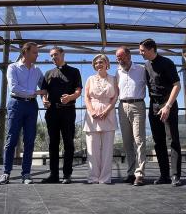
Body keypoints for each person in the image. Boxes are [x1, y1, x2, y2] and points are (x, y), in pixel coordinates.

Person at [0, 42, 45, 185]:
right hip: (16, 104)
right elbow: (14, 88)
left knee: (29, 141)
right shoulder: (13, 67)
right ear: (25, 53)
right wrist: (35, 92)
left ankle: (26, 174)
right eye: (35, 52)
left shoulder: (37, 70)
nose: (37, 55)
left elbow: (44, 87)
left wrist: (45, 97)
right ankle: (6, 173)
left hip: (31, 107)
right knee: (11, 139)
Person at [139, 38, 183, 186]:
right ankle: (164, 175)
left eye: (143, 51)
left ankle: (175, 175)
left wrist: (168, 106)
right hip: (154, 106)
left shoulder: (167, 63)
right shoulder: (146, 66)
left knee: (173, 140)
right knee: (159, 142)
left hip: (168, 104)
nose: (141, 53)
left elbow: (177, 85)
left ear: (152, 49)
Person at [39, 46, 82, 184]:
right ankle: (54, 175)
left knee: (68, 143)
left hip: (68, 111)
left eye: (55, 54)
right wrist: (44, 100)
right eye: (51, 56)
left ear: (63, 54)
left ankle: (67, 174)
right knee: (53, 144)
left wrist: (70, 97)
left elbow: (78, 91)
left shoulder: (74, 71)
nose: (53, 57)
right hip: (52, 112)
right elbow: (44, 91)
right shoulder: (48, 73)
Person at [115, 46, 147, 186]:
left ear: (128, 56)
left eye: (121, 57)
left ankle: (139, 174)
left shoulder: (141, 69)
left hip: (137, 105)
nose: (119, 60)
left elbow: (151, 85)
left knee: (139, 140)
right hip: (122, 107)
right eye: (117, 57)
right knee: (127, 142)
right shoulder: (117, 72)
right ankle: (130, 173)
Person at [83, 54, 118, 184]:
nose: (99, 64)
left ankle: (105, 178)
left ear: (107, 64)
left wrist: (107, 111)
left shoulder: (113, 79)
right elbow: (86, 97)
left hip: (108, 114)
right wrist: (91, 111)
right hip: (92, 115)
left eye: (101, 62)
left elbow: (115, 97)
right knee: (92, 148)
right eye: (96, 63)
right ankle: (93, 177)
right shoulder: (90, 79)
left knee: (107, 149)